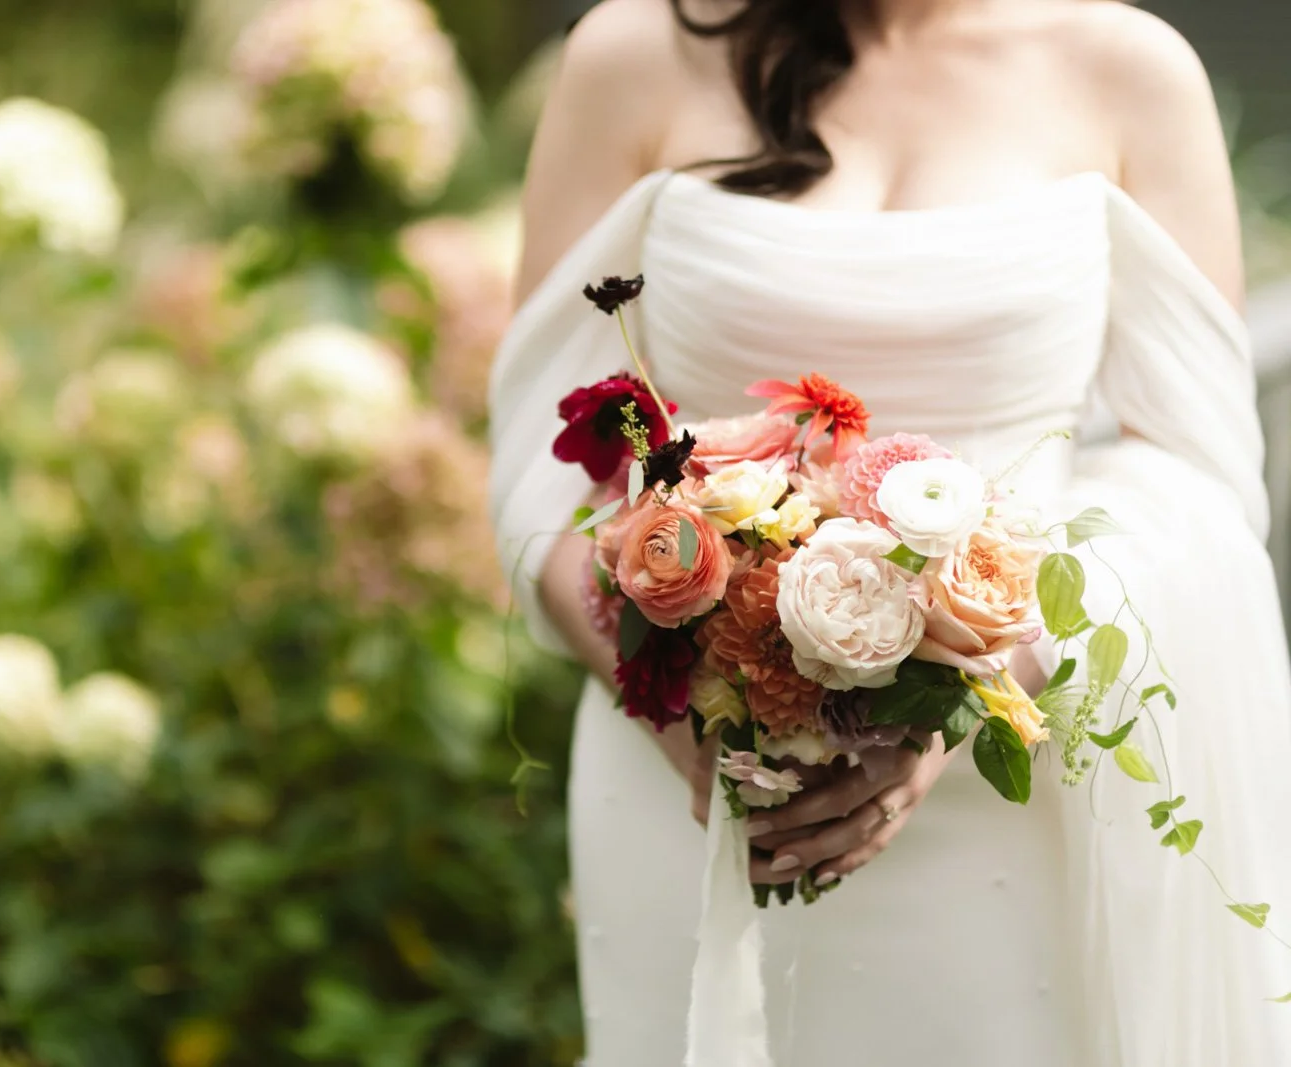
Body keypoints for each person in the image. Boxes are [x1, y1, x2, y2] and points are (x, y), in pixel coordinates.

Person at [486, 0, 1291, 1064]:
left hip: (1012, 759)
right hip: (690, 773)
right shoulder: (635, 54)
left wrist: (961, 691)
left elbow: (1196, 474)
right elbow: (543, 475)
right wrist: (688, 716)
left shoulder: (1126, 70)